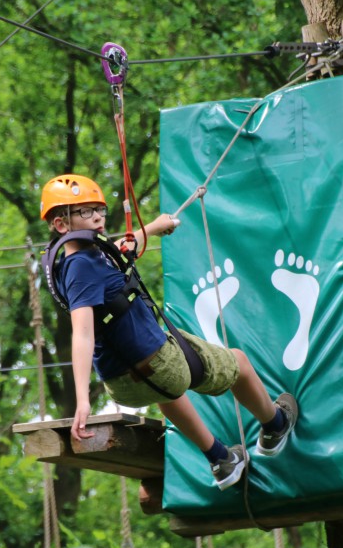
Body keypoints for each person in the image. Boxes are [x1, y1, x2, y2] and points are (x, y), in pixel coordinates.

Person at [40, 174, 298, 490]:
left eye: (100, 210)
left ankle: (221, 460)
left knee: (164, 392)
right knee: (238, 363)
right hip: (159, 365)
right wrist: (82, 401)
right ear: (61, 224)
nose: (97, 217)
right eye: (85, 211)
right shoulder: (83, 268)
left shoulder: (71, 261)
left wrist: (152, 228)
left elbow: (119, 253)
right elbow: (81, 333)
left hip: (124, 384)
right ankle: (275, 425)